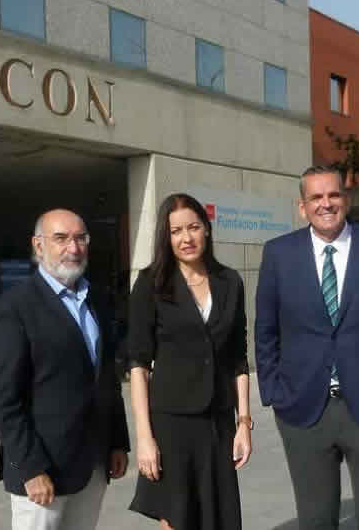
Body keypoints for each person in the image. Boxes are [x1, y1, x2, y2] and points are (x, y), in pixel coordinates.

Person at [255, 165, 359, 530]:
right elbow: (266, 330)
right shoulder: (278, 254)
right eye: (316, 197)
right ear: (302, 207)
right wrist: (275, 393)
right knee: (316, 520)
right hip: (303, 410)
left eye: (333, 195)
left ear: (347, 199)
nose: (326, 204)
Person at [0, 209, 130, 530]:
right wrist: (30, 468)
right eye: (61, 238)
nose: (73, 248)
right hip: (42, 472)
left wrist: (118, 441)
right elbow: (1, 400)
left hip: (92, 463)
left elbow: (106, 380)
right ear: (38, 246)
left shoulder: (97, 302)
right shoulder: (14, 308)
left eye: (80, 238)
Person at [126, 193, 252, 530]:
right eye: (176, 231)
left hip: (218, 422)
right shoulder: (151, 283)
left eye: (193, 227)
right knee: (177, 517)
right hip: (171, 424)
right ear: (166, 238)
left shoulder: (229, 282)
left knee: (220, 516)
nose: (186, 238)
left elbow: (238, 358)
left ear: (206, 230)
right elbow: (138, 364)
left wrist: (244, 424)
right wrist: (144, 438)